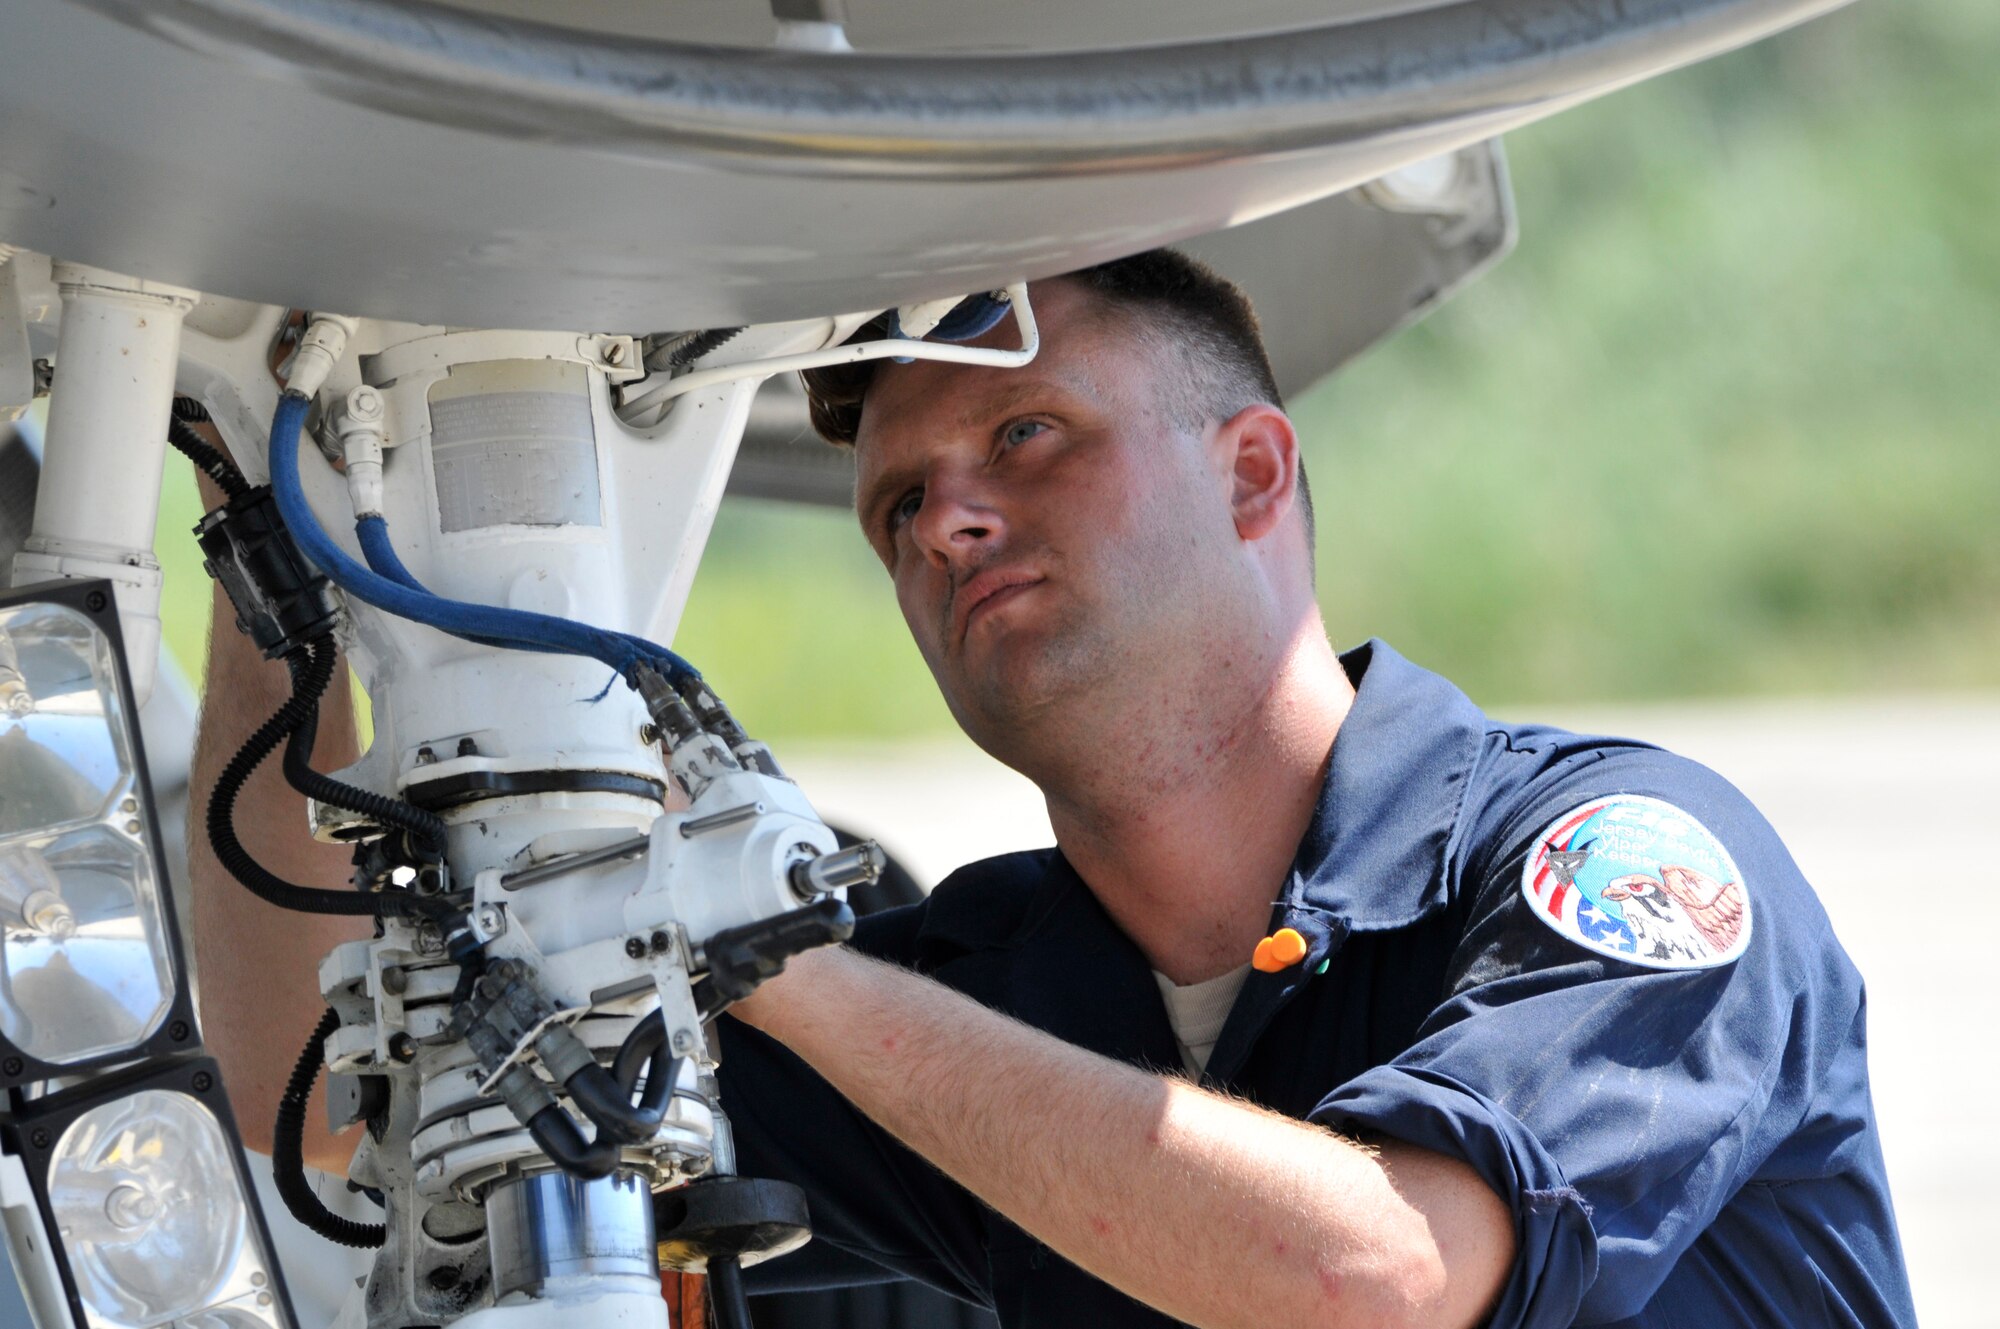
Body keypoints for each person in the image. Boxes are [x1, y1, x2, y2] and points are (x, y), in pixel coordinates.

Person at [191, 251, 1914, 1329]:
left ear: (1253, 472)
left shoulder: (1602, 856)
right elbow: (336, 1102)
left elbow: (1376, 1280)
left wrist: (778, 968)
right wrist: (271, 572)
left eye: (1027, 439)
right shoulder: (1006, 989)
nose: (944, 518)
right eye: (898, 503)